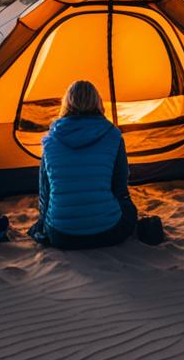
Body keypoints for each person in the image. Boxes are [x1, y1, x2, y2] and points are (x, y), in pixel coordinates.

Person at [37, 79, 138, 249]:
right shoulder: (113, 135)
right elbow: (120, 187)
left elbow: (44, 193)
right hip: (108, 232)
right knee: (128, 209)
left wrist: (42, 222)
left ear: (66, 103)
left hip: (60, 235)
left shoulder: (50, 140)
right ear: (97, 101)